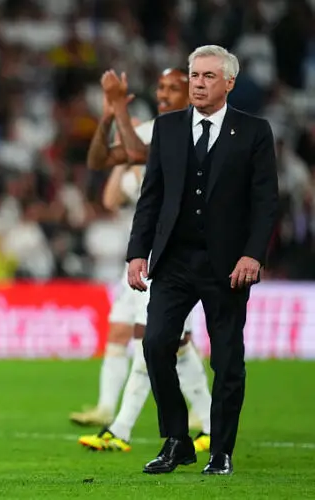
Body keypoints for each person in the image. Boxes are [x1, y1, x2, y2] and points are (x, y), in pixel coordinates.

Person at [127, 45, 278, 475]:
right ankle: (177, 439)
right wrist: (137, 252)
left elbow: (265, 202)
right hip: (173, 260)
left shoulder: (254, 132)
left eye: (209, 76)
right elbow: (150, 195)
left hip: (228, 265)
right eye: (195, 75)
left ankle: (221, 451)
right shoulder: (168, 128)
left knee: (227, 359)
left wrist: (253, 254)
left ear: (229, 83)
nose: (197, 83)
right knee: (156, 344)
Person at [74, 70, 212, 452]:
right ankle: (210, 423)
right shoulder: (154, 128)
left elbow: (135, 152)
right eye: (161, 88)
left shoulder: (194, 131)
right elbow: (100, 159)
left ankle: (120, 429)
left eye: (173, 88)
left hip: (178, 252)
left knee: (150, 338)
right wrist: (107, 117)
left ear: (194, 93)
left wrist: (119, 107)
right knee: (172, 342)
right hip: (148, 252)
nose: (164, 94)